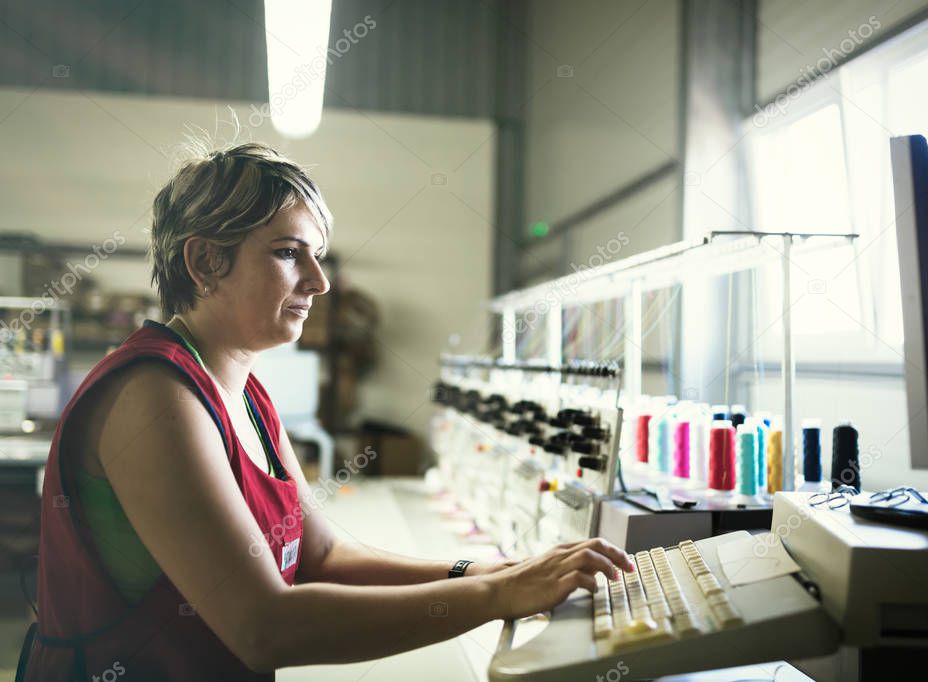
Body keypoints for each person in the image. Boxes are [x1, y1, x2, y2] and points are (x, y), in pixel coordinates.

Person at [19, 143, 632, 681]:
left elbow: (322, 558)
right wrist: (498, 595)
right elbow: (264, 628)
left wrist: (490, 570)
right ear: (206, 262)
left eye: (317, 256)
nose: (320, 281)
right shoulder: (157, 396)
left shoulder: (247, 392)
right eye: (290, 253)